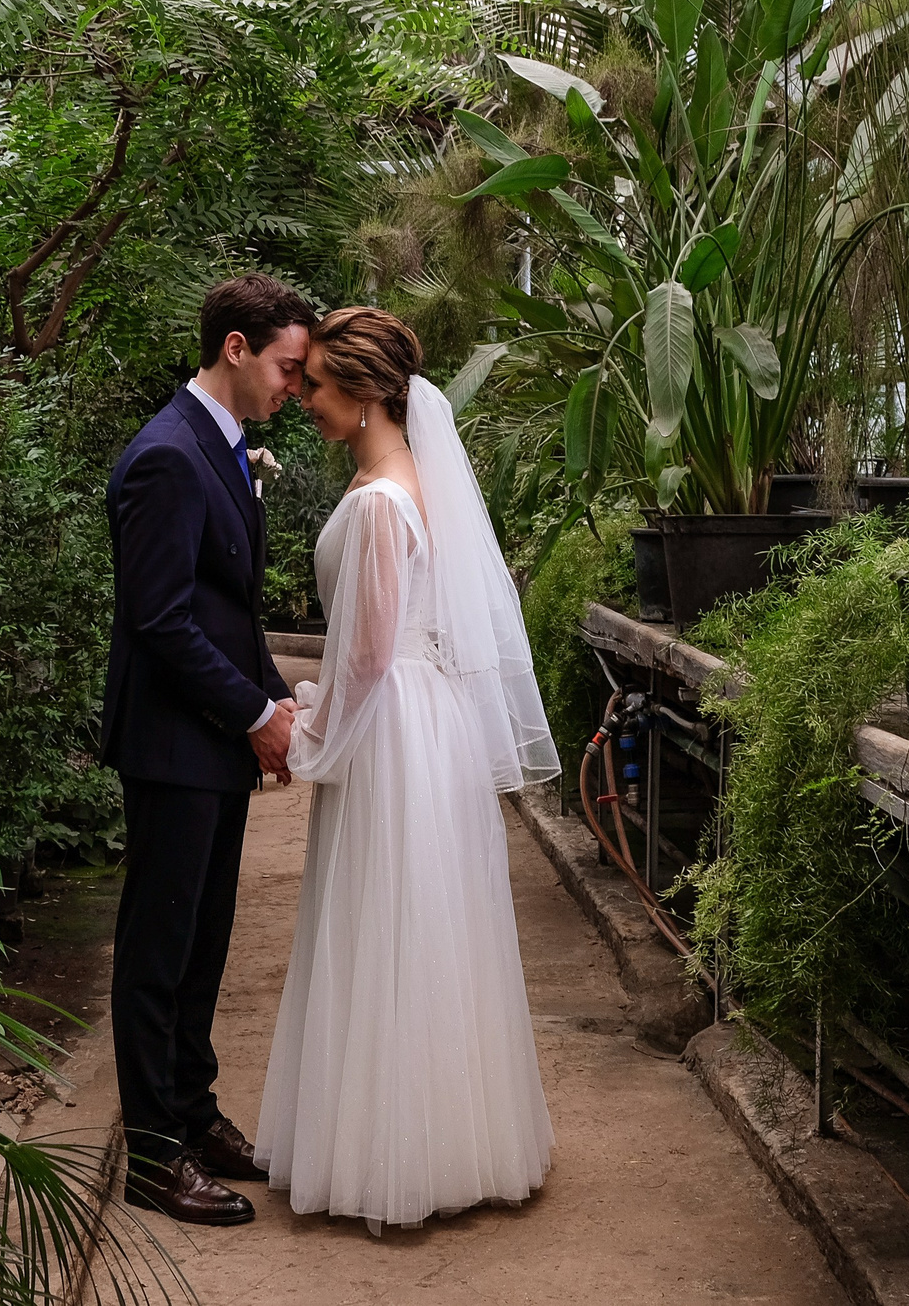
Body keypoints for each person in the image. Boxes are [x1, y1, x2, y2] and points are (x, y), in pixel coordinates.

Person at [256, 306, 557, 1232]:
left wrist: (311, 738)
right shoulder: (402, 480)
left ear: (369, 392)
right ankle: (435, 1139)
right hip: (419, 724)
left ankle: (400, 1158)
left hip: (393, 727)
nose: (304, 397)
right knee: (417, 920)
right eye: (303, 382)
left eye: (317, 385)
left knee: (389, 919)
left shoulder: (385, 500)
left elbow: (367, 656)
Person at [102, 274, 316, 1227]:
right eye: (285, 366)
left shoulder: (223, 448)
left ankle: (193, 1111)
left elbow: (227, 609)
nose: (294, 386)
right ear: (235, 348)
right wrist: (254, 715)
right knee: (160, 948)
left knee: (205, 943)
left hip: (213, 744)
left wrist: (271, 695)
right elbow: (160, 619)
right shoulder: (166, 457)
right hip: (171, 745)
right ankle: (152, 1154)